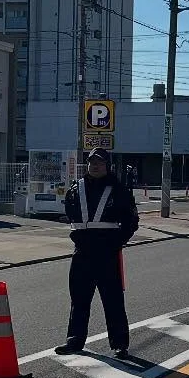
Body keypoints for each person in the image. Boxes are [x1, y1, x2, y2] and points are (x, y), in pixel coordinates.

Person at [56, 148, 140, 358]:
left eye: (100, 162)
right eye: (92, 162)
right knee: (79, 299)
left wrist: (116, 242)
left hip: (107, 253)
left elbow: (131, 221)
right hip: (82, 252)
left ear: (107, 165)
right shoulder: (77, 187)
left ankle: (120, 344)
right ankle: (74, 340)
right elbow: (70, 212)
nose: (95, 165)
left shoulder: (118, 189)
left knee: (112, 300)